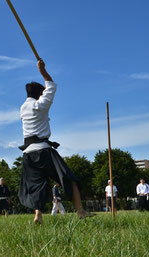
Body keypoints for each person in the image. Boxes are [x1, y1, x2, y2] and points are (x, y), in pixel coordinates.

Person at [18, 59, 94, 224]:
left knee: (36, 185)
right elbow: (51, 86)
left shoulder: (22, 108)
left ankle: (38, 215)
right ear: (40, 94)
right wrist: (43, 71)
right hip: (43, 151)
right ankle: (80, 211)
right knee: (69, 178)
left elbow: (46, 90)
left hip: (28, 154)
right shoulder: (40, 106)